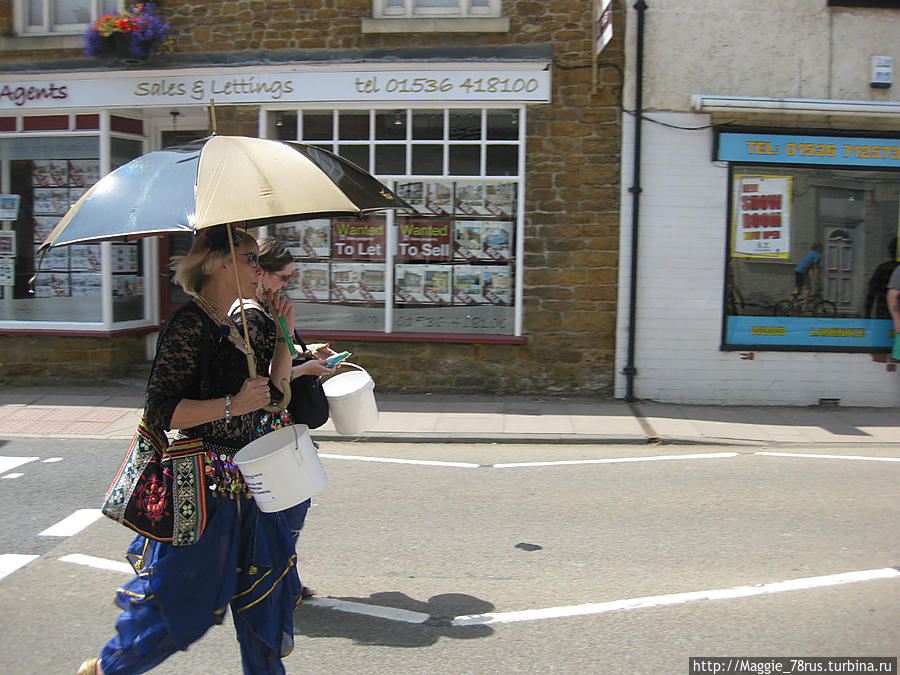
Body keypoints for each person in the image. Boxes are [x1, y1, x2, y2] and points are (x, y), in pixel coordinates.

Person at [79, 224, 309, 675]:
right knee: (189, 598)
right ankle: (110, 669)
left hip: (250, 480)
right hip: (203, 485)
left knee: (264, 595)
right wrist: (232, 404)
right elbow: (161, 411)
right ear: (220, 264)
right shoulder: (189, 324)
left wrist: (285, 332)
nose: (257, 267)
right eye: (249, 258)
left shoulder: (241, 322)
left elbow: (278, 394)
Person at [229, 236, 337, 601]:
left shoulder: (266, 311)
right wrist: (304, 365)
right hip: (262, 429)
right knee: (285, 505)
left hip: (279, 425)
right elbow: (264, 380)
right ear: (260, 273)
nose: (286, 285)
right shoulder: (248, 316)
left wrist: (304, 349)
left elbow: (281, 358)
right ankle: (270, 583)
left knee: (292, 502)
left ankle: (281, 579)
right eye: (283, 277)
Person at [864, 237, 899, 319]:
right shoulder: (883, 268)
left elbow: (871, 294)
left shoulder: (882, 268)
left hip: (883, 313)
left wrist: (867, 315)